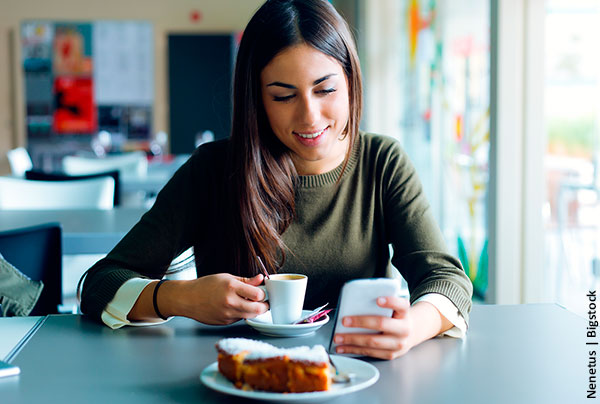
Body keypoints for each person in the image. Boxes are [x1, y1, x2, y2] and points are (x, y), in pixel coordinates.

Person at [80, 0, 472, 360]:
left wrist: (413, 327)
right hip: (234, 382)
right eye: (284, 96)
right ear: (256, 100)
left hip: (355, 379)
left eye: (326, 89)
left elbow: (445, 278)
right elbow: (99, 284)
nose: (310, 117)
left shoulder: (382, 162)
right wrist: (179, 298)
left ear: (350, 81)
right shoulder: (213, 170)